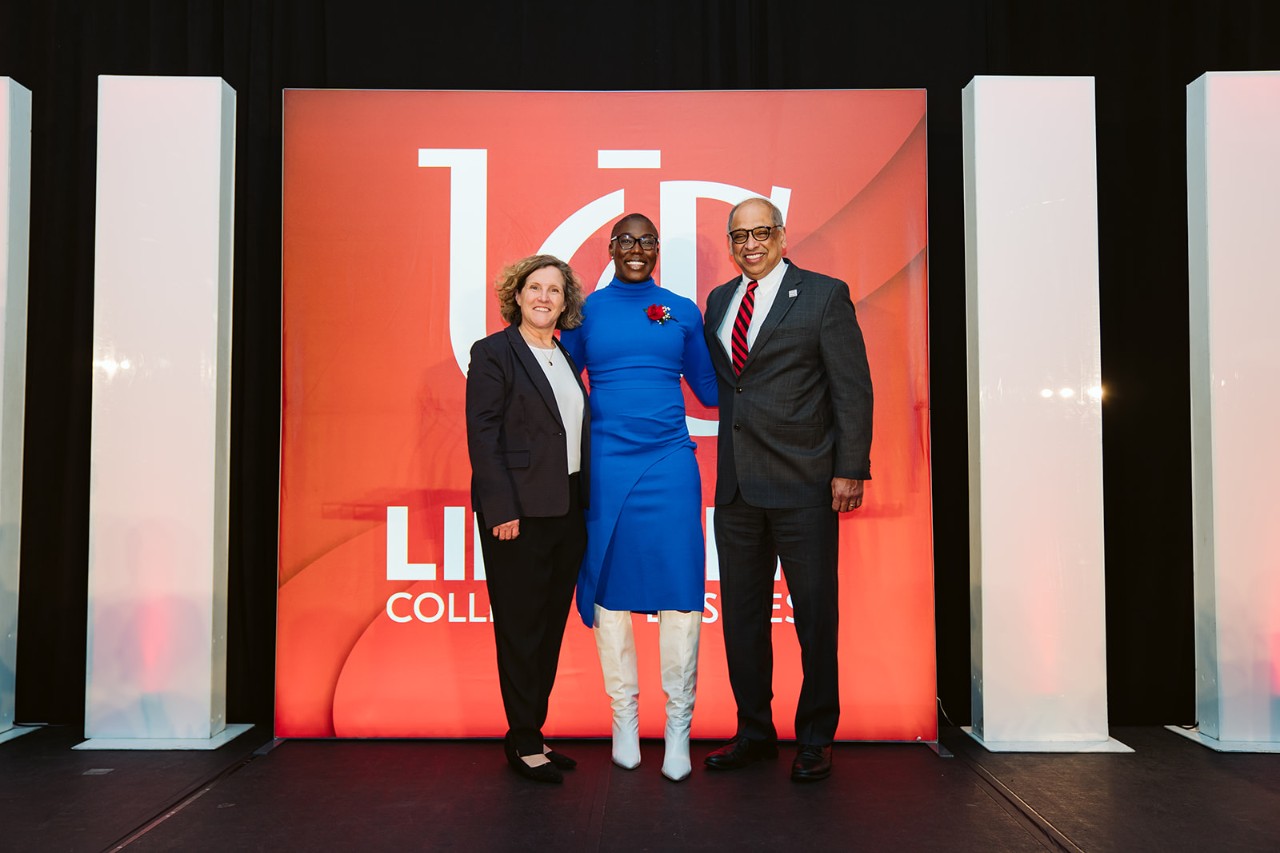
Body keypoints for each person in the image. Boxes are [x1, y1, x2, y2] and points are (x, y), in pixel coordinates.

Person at [701, 197, 873, 783]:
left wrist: (850, 468)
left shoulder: (824, 295)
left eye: (761, 232)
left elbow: (852, 389)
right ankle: (754, 732)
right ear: (730, 242)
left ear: (780, 233)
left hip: (805, 484)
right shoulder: (720, 302)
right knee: (742, 620)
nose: (750, 244)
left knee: (815, 617)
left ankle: (817, 736)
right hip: (738, 492)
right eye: (739, 235)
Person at [560, 213, 718, 782]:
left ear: (655, 250)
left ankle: (679, 730)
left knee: (681, 593)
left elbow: (710, 387)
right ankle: (623, 721)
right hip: (605, 465)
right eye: (625, 240)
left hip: (670, 465)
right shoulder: (586, 311)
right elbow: (555, 375)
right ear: (610, 248)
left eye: (645, 241)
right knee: (610, 591)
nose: (635, 248)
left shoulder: (682, 309)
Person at [466, 254, 590, 784]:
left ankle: (533, 732)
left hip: (566, 511)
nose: (544, 298)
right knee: (520, 630)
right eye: (535, 288)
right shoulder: (494, 353)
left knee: (547, 630)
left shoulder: (563, 355)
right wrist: (502, 510)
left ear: (566, 303)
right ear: (517, 295)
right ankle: (521, 741)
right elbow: (484, 435)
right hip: (517, 514)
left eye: (555, 291)